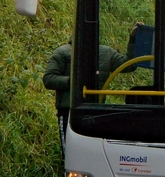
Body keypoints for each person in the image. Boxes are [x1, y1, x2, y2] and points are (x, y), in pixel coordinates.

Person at [44, 25, 140, 153]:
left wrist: (134, 40)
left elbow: (129, 65)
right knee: (69, 153)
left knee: (93, 153)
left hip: (97, 111)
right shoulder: (63, 52)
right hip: (69, 111)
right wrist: (72, 81)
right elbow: (49, 79)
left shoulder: (106, 53)